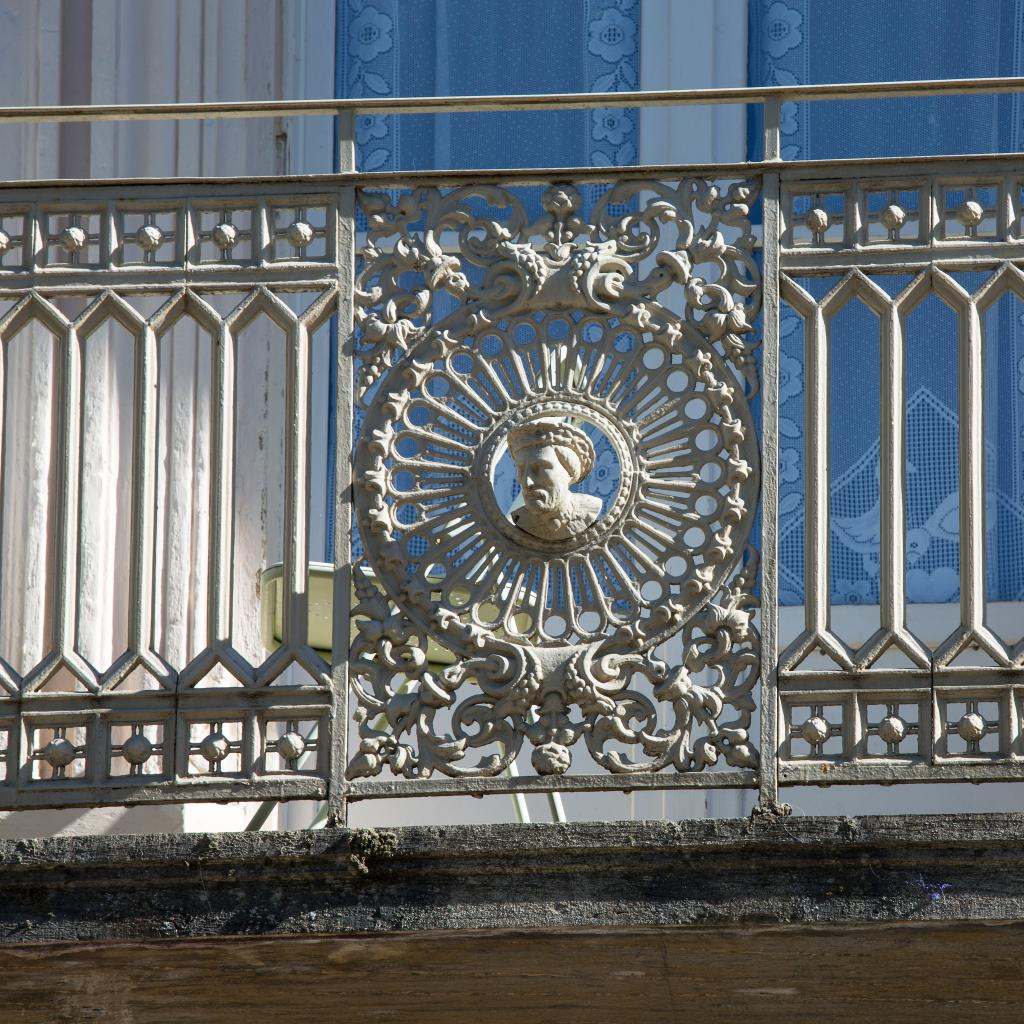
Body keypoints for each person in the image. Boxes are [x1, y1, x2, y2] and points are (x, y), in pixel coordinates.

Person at [506, 418, 602, 541]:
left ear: (570, 471)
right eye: (521, 470)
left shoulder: (589, 510)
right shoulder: (521, 521)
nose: (527, 482)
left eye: (539, 468)